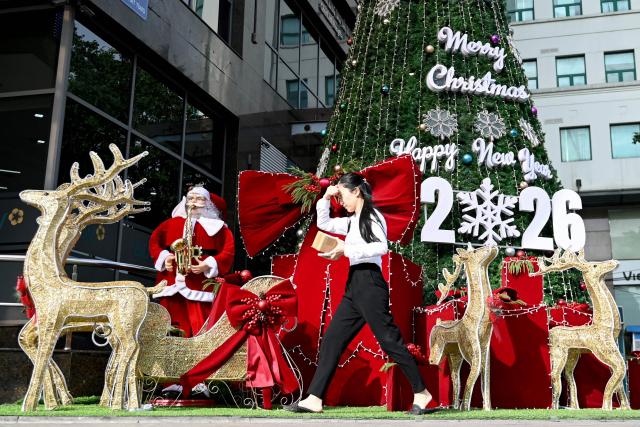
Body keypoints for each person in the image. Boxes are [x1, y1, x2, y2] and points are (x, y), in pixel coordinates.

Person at [284, 173, 433, 415]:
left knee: (389, 341)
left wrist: (346, 249)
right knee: (333, 339)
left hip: (370, 284)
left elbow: (381, 247)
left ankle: (422, 393)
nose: (340, 201)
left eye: (342, 194)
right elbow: (324, 224)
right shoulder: (353, 220)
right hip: (355, 286)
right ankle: (314, 398)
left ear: (356, 192)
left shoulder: (372, 217)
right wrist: (326, 196)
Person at [149, 185, 235, 338]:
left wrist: (208, 264)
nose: (194, 202)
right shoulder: (171, 224)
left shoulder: (219, 228)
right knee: (168, 320)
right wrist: (165, 257)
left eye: (199, 199)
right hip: (171, 280)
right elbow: (154, 242)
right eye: (191, 198)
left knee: (201, 323)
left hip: (199, 283)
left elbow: (228, 251)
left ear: (208, 203)